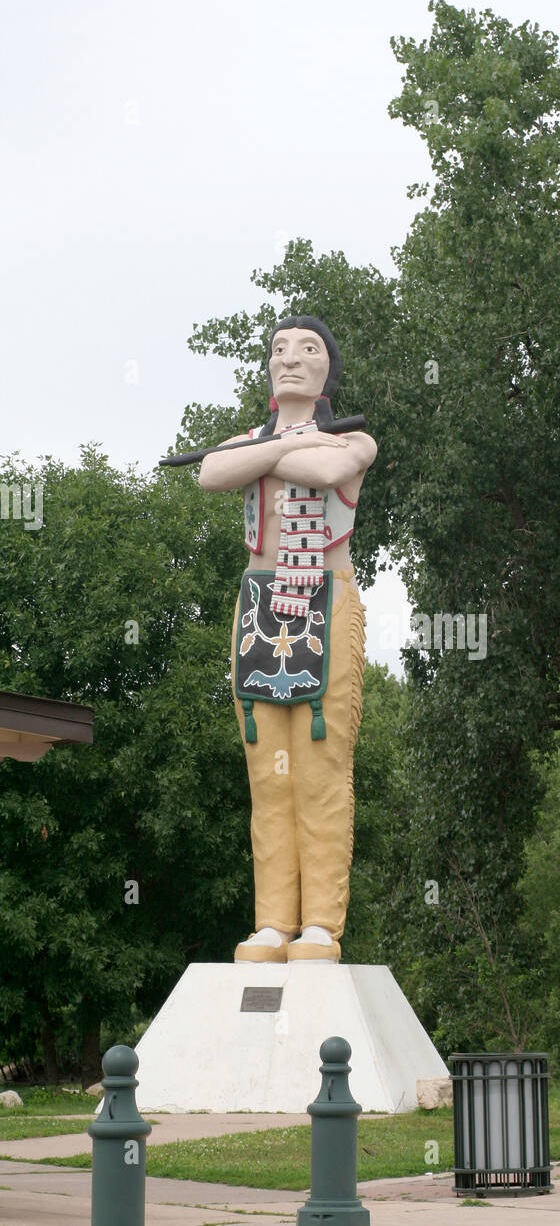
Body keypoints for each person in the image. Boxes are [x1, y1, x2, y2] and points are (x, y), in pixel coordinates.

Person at [198, 316, 376, 962]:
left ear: (329, 364)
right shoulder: (247, 442)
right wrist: (277, 445)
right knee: (268, 774)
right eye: (279, 349)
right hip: (260, 605)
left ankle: (321, 924)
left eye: (307, 349)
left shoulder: (353, 438)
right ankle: (272, 921)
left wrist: (269, 452)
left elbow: (330, 472)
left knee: (320, 770)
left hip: (325, 600)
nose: (291, 360)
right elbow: (210, 474)